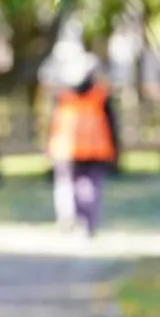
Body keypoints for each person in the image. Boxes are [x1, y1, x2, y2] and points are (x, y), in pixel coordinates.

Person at [47, 60, 120, 235]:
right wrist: (116, 148)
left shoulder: (62, 97)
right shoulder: (100, 96)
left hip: (66, 149)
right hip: (96, 150)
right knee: (91, 186)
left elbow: (52, 124)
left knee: (65, 185)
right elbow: (112, 124)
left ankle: (68, 218)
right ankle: (87, 222)